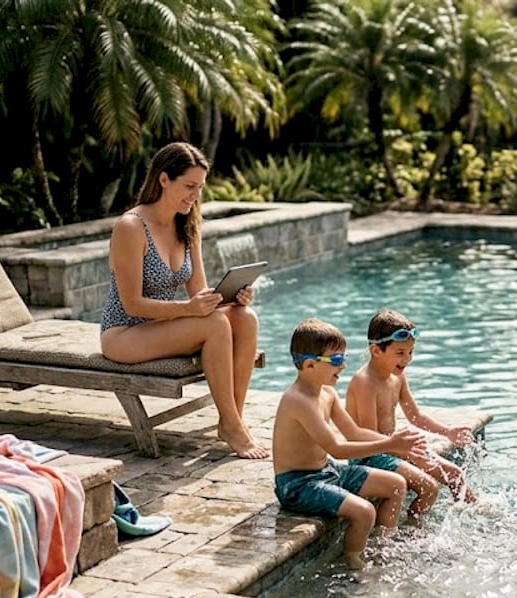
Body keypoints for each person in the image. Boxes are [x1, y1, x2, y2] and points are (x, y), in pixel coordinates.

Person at [99, 142, 268, 460]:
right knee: (216, 324)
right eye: (189, 186)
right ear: (163, 179)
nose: (195, 195)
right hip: (123, 333)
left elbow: (200, 295)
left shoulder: (187, 226)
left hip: (165, 326)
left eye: (200, 187)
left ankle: (232, 420)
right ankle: (232, 425)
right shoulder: (131, 227)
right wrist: (190, 310)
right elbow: (132, 303)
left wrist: (235, 299)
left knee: (245, 318)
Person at [273, 318, 430, 569]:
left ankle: (383, 547)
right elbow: (336, 447)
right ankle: (354, 563)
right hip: (298, 484)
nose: (344, 365)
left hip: (327, 471)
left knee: (397, 484)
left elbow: (354, 432)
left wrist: (397, 444)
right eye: (336, 360)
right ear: (310, 364)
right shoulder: (298, 400)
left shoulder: (327, 393)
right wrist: (390, 443)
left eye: (343, 358)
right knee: (364, 512)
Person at [345, 308, 479, 507]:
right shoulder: (365, 382)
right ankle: (411, 532)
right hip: (369, 456)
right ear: (376, 350)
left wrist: (448, 432)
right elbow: (368, 435)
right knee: (427, 487)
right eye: (400, 353)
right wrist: (407, 453)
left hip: (394, 448)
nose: (407, 359)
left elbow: (415, 415)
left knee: (455, 474)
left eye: (410, 351)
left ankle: (478, 514)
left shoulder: (397, 376)